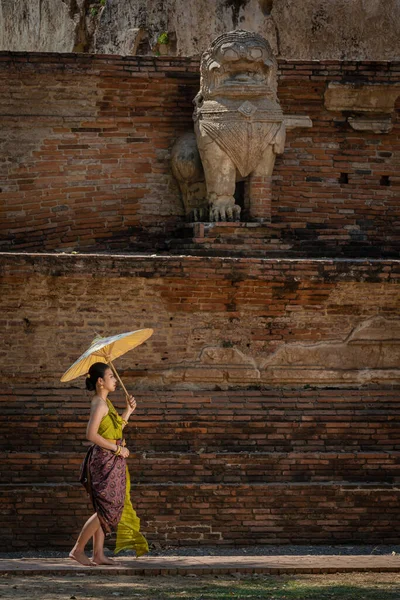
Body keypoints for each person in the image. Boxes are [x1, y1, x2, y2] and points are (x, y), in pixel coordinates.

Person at [69, 362, 149, 566]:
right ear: (100, 381)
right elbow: (91, 434)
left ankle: (98, 554)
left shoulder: (107, 403)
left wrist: (128, 411)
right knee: (106, 508)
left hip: (112, 459)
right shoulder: (99, 404)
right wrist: (117, 449)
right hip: (104, 460)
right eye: (111, 376)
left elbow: (114, 429)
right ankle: (77, 550)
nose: (115, 380)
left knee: (105, 507)